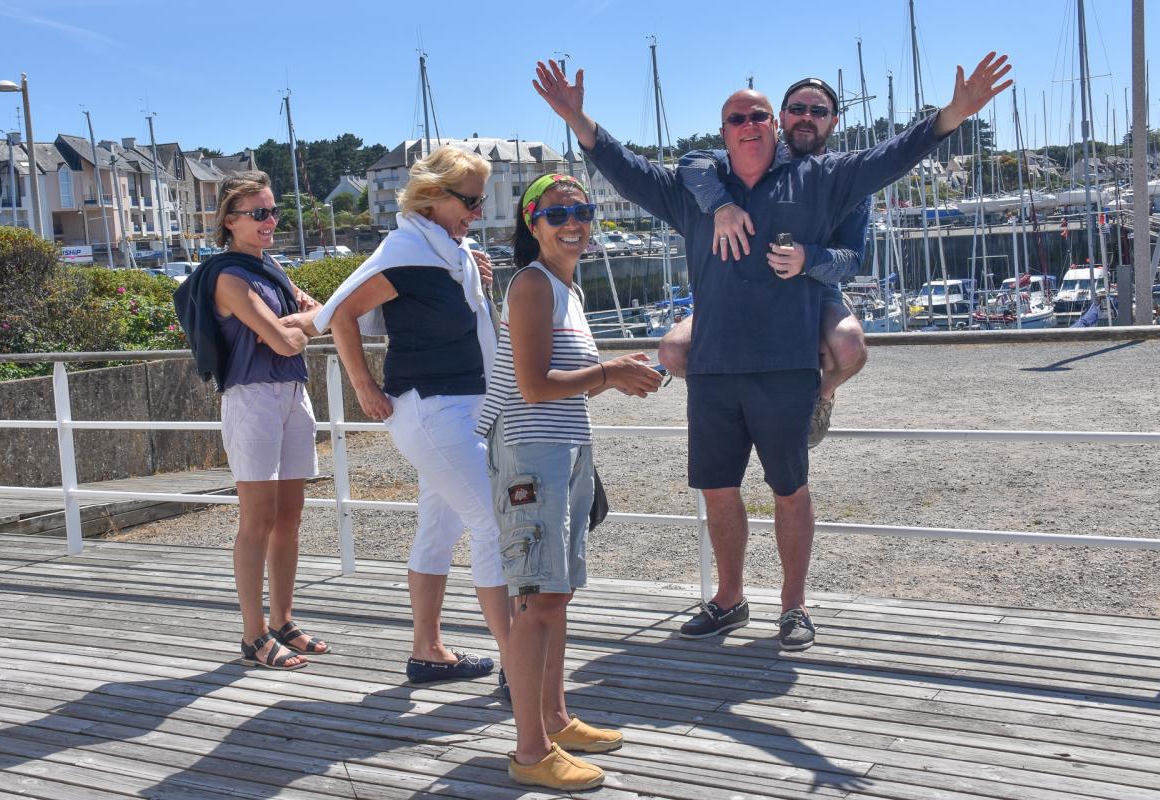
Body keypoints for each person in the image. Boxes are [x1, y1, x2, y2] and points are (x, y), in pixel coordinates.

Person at [534, 54, 1011, 651]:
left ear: (774, 125)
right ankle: (729, 599)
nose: (750, 125)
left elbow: (891, 156)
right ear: (724, 130)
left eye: (759, 115)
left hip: (786, 366)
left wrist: (951, 116)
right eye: (738, 118)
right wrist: (579, 122)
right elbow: (629, 170)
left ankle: (793, 607)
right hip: (714, 367)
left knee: (790, 490)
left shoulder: (821, 179)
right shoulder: (696, 193)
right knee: (717, 490)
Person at [475, 173, 662, 790]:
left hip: (561, 450)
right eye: (557, 214)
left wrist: (613, 377)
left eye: (581, 211)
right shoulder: (532, 285)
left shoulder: (566, 289)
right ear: (532, 224)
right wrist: (609, 372)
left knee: (555, 594)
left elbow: (557, 385)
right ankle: (531, 752)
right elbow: (533, 387)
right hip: (531, 456)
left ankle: (554, 717)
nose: (573, 222)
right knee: (537, 600)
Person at [314, 146, 510, 685]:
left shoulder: (451, 253)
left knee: (440, 528)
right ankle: (518, 663)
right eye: (470, 201)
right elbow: (341, 314)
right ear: (433, 196)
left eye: (481, 200)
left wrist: (471, 273)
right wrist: (364, 387)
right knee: (494, 522)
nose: (477, 211)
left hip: (463, 406)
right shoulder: (406, 252)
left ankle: (428, 651)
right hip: (431, 409)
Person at [173, 170, 328, 670]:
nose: (270, 220)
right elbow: (285, 340)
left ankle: (283, 621)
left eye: (273, 211)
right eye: (259, 213)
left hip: (293, 393)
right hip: (252, 398)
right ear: (230, 220)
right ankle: (253, 634)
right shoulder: (229, 276)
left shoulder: (271, 267)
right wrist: (298, 327)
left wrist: (297, 324)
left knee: (290, 517)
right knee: (257, 520)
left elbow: (316, 316)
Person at [665, 77, 870, 447]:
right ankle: (723, 402)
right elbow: (693, 162)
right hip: (737, 293)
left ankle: (821, 397)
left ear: (834, 120)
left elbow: (852, 258)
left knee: (850, 345)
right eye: (797, 109)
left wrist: (809, 259)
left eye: (818, 111)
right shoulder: (757, 157)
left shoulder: (846, 179)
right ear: (781, 118)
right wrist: (721, 205)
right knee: (672, 351)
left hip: (815, 290)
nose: (807, 117)